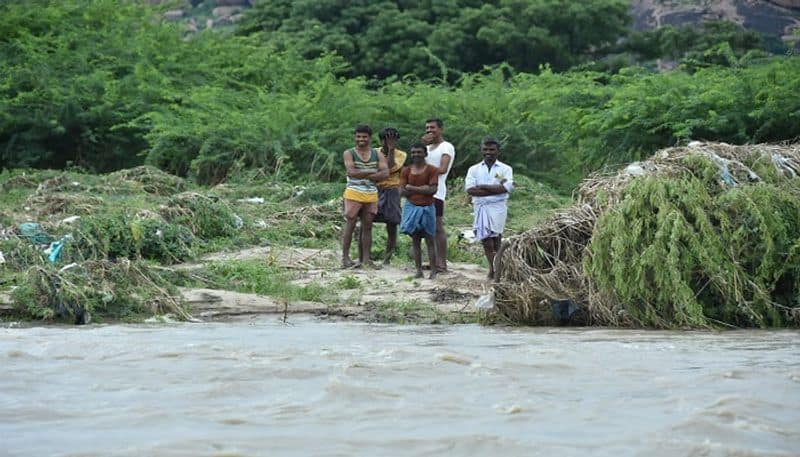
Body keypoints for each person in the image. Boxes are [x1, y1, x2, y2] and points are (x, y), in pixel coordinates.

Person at [465, 137, 514, 280]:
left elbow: (508, 187)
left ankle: (499, 268)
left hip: (497, 207)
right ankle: (492, 268)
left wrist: (484, 186)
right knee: (486, 240)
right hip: (481, 207)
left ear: (498, 151)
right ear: (481, 150)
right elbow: (470, 190)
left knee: (497, 239)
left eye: (492, 149)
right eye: (485, 149)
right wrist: (496, 189)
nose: (488, 152)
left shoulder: (504, 169)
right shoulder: (474, 169)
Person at [341, 124, 388, 269]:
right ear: (355, 137)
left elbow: (385, 173)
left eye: (364, 137)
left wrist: (362, 172)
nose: (361, 139)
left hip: (370, 194)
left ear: (370, 138)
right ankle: (345, 258)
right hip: (353, 192)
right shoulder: (349, 153)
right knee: (350, 224)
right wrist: (374, 173)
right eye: (358, 136)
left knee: (368, 226)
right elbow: (351, 172)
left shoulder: (377, 153)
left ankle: (366, 259)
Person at [400, 143, 439, 279]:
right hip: (412, 207)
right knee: (415, 239)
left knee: (430, 239)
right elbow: (402, 191)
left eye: (419, 152)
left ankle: (434, 271)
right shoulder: (406, 170)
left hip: (428, 207)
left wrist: (412, 188)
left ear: (425, 154)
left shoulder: (432, 170)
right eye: (414, 152)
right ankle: (418, 270)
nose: (416, 155)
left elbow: (433, 190)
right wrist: (422, 189)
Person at [422, 118, 455, 273]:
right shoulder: (427, 148)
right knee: (428, 228)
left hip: (437, 191)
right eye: (427, 128)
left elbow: (442, 169)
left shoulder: (446, 147)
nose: (429, 130)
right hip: (423, 190)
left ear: (440, 129)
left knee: (437, 227)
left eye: (432, 128)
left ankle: (442, 263)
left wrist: (423, 173)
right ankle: (433, 261)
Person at [369, 127, 406, 264]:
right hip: (374, 189)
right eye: (386, 139)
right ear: (381, 140)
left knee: (392, 224)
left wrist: (391, 150)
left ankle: (387, 258)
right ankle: (366, 256)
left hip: (392, 190)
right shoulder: (373, 152)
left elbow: (388, 168)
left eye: (392, 139)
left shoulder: (401, 155)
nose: (388, 142)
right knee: (367, 222)